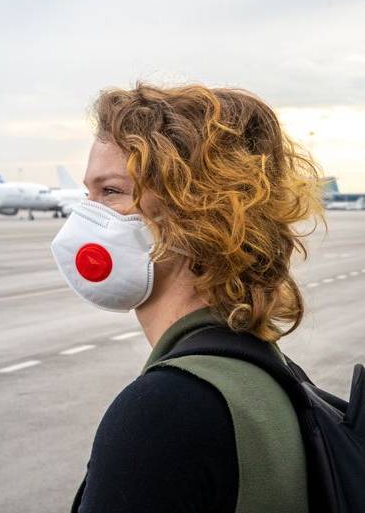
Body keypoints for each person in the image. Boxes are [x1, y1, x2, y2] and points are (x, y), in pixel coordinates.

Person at [50, 83, 324, 513]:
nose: (86, 215)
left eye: (111, 192)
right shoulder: (266, 373)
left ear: (194, 215)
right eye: (88, 193)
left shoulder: (162, 413)